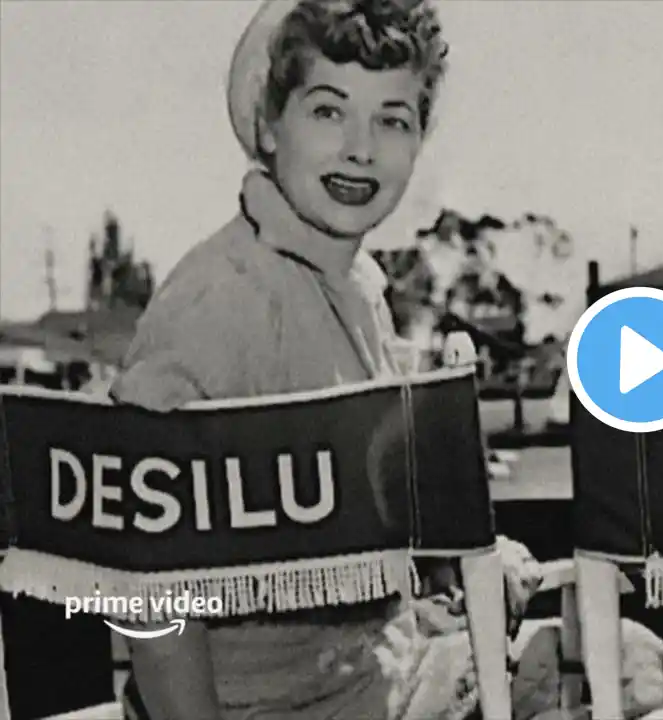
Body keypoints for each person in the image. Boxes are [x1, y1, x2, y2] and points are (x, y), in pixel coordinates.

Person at [108, 1, 544, 718]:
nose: (360, 150)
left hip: (377, 677)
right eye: (328, 111)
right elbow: (142, 587)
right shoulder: (220, 303)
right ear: (268, 126)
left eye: (392, 120)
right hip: (267, 709)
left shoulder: (360, 288)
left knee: (631, 663)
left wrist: (461, 567)